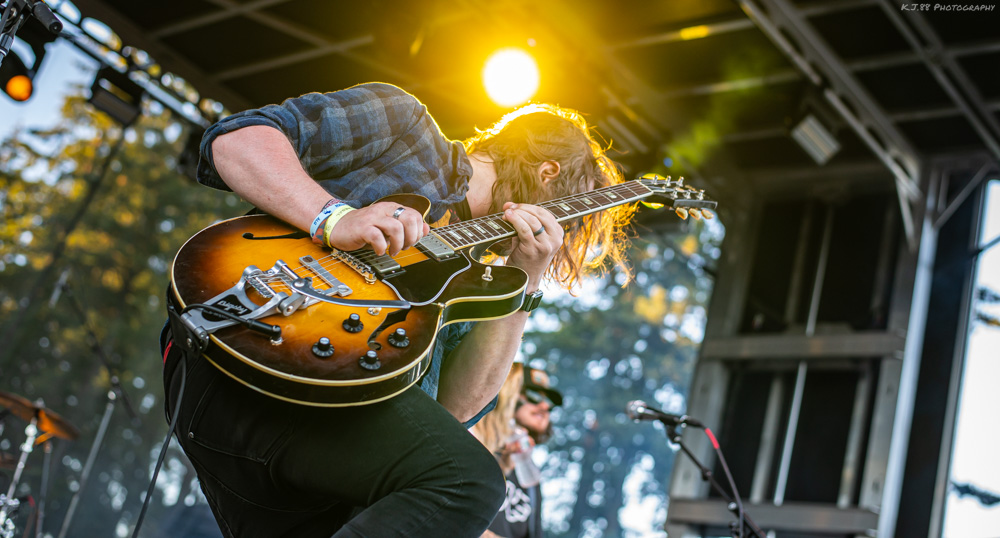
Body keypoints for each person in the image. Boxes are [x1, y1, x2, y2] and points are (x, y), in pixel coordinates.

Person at [160, 82, 633, 537]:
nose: (558, 233)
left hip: (321, 433)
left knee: (434, 490)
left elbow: (452, 411)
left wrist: (525, 281)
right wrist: (335, 217)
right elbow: (235, 140)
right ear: (548, 173)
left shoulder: (482, 280)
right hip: (240, 342)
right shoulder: (406, 127)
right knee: (467, 481)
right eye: (562, 215)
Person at [472, 364, 562, 538]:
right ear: (509, 394)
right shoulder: (470, 442)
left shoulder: (531, 481)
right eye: (534, 396)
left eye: (549, 402)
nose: (544, 407)